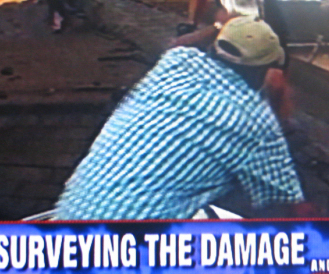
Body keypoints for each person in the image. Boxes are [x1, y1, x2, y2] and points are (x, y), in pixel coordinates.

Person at [55, 16, 310, 220]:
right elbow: (286, 205)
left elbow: (180, 44)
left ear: (214, 48)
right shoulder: (255, 120)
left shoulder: (176, 63)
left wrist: (218, 25)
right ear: (264, 71)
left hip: (67, 223)